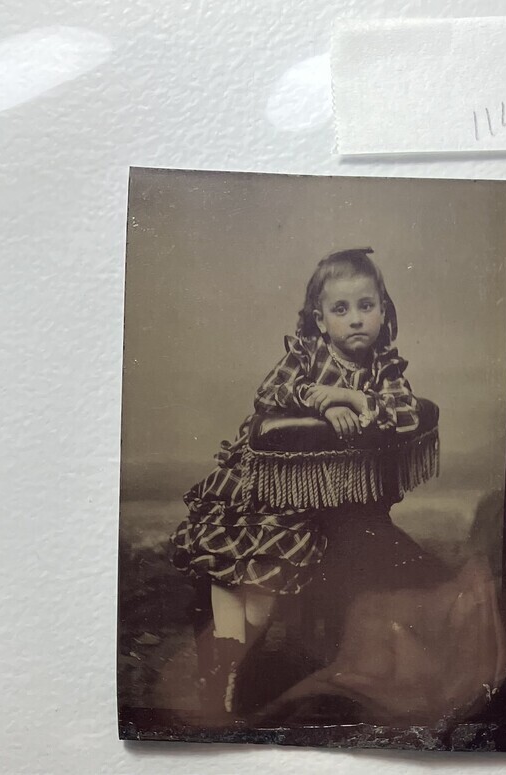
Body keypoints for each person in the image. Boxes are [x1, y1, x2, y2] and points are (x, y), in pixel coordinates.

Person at [170, 247, 424, 719]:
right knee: (232, 564)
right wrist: (321, 399)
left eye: (366, 307)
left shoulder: (384, 366)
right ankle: (223, 668)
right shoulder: (308, 353)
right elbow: (269, 392)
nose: (354, 320)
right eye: (340, 309)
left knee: (260, 605)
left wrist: (352, 395)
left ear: (383, 311)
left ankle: (232, 657)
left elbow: (406, 413)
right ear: (321, 319)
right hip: (259, 489)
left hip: (309, 504)